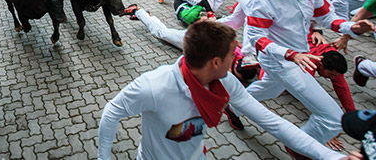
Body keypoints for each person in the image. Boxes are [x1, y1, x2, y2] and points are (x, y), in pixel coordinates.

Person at [97, 21, 347, 160]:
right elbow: (111, 112)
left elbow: (274, 123)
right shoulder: (154, 85)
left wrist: (330, 157)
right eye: (232, 55)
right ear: (215, 62)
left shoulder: (224, 82)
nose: (237, 59)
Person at [243, 0, 375, 155]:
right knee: (333, 117)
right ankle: (300, 147)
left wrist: (353, 28)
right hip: (282, 61)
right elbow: (258, 39)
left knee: (270, 90)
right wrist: (291, 55)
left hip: (299, 57)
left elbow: (329, 19)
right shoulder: (261, 0)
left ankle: (232, 103)